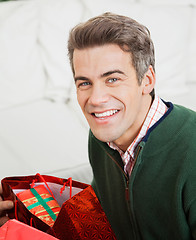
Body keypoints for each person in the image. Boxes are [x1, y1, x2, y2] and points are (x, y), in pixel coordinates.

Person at [1, 12, 196, 239]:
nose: (96, 99)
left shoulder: (190, 153)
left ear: (147, 80)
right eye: (85, 83)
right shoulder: (102, 137)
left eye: (112, 79)